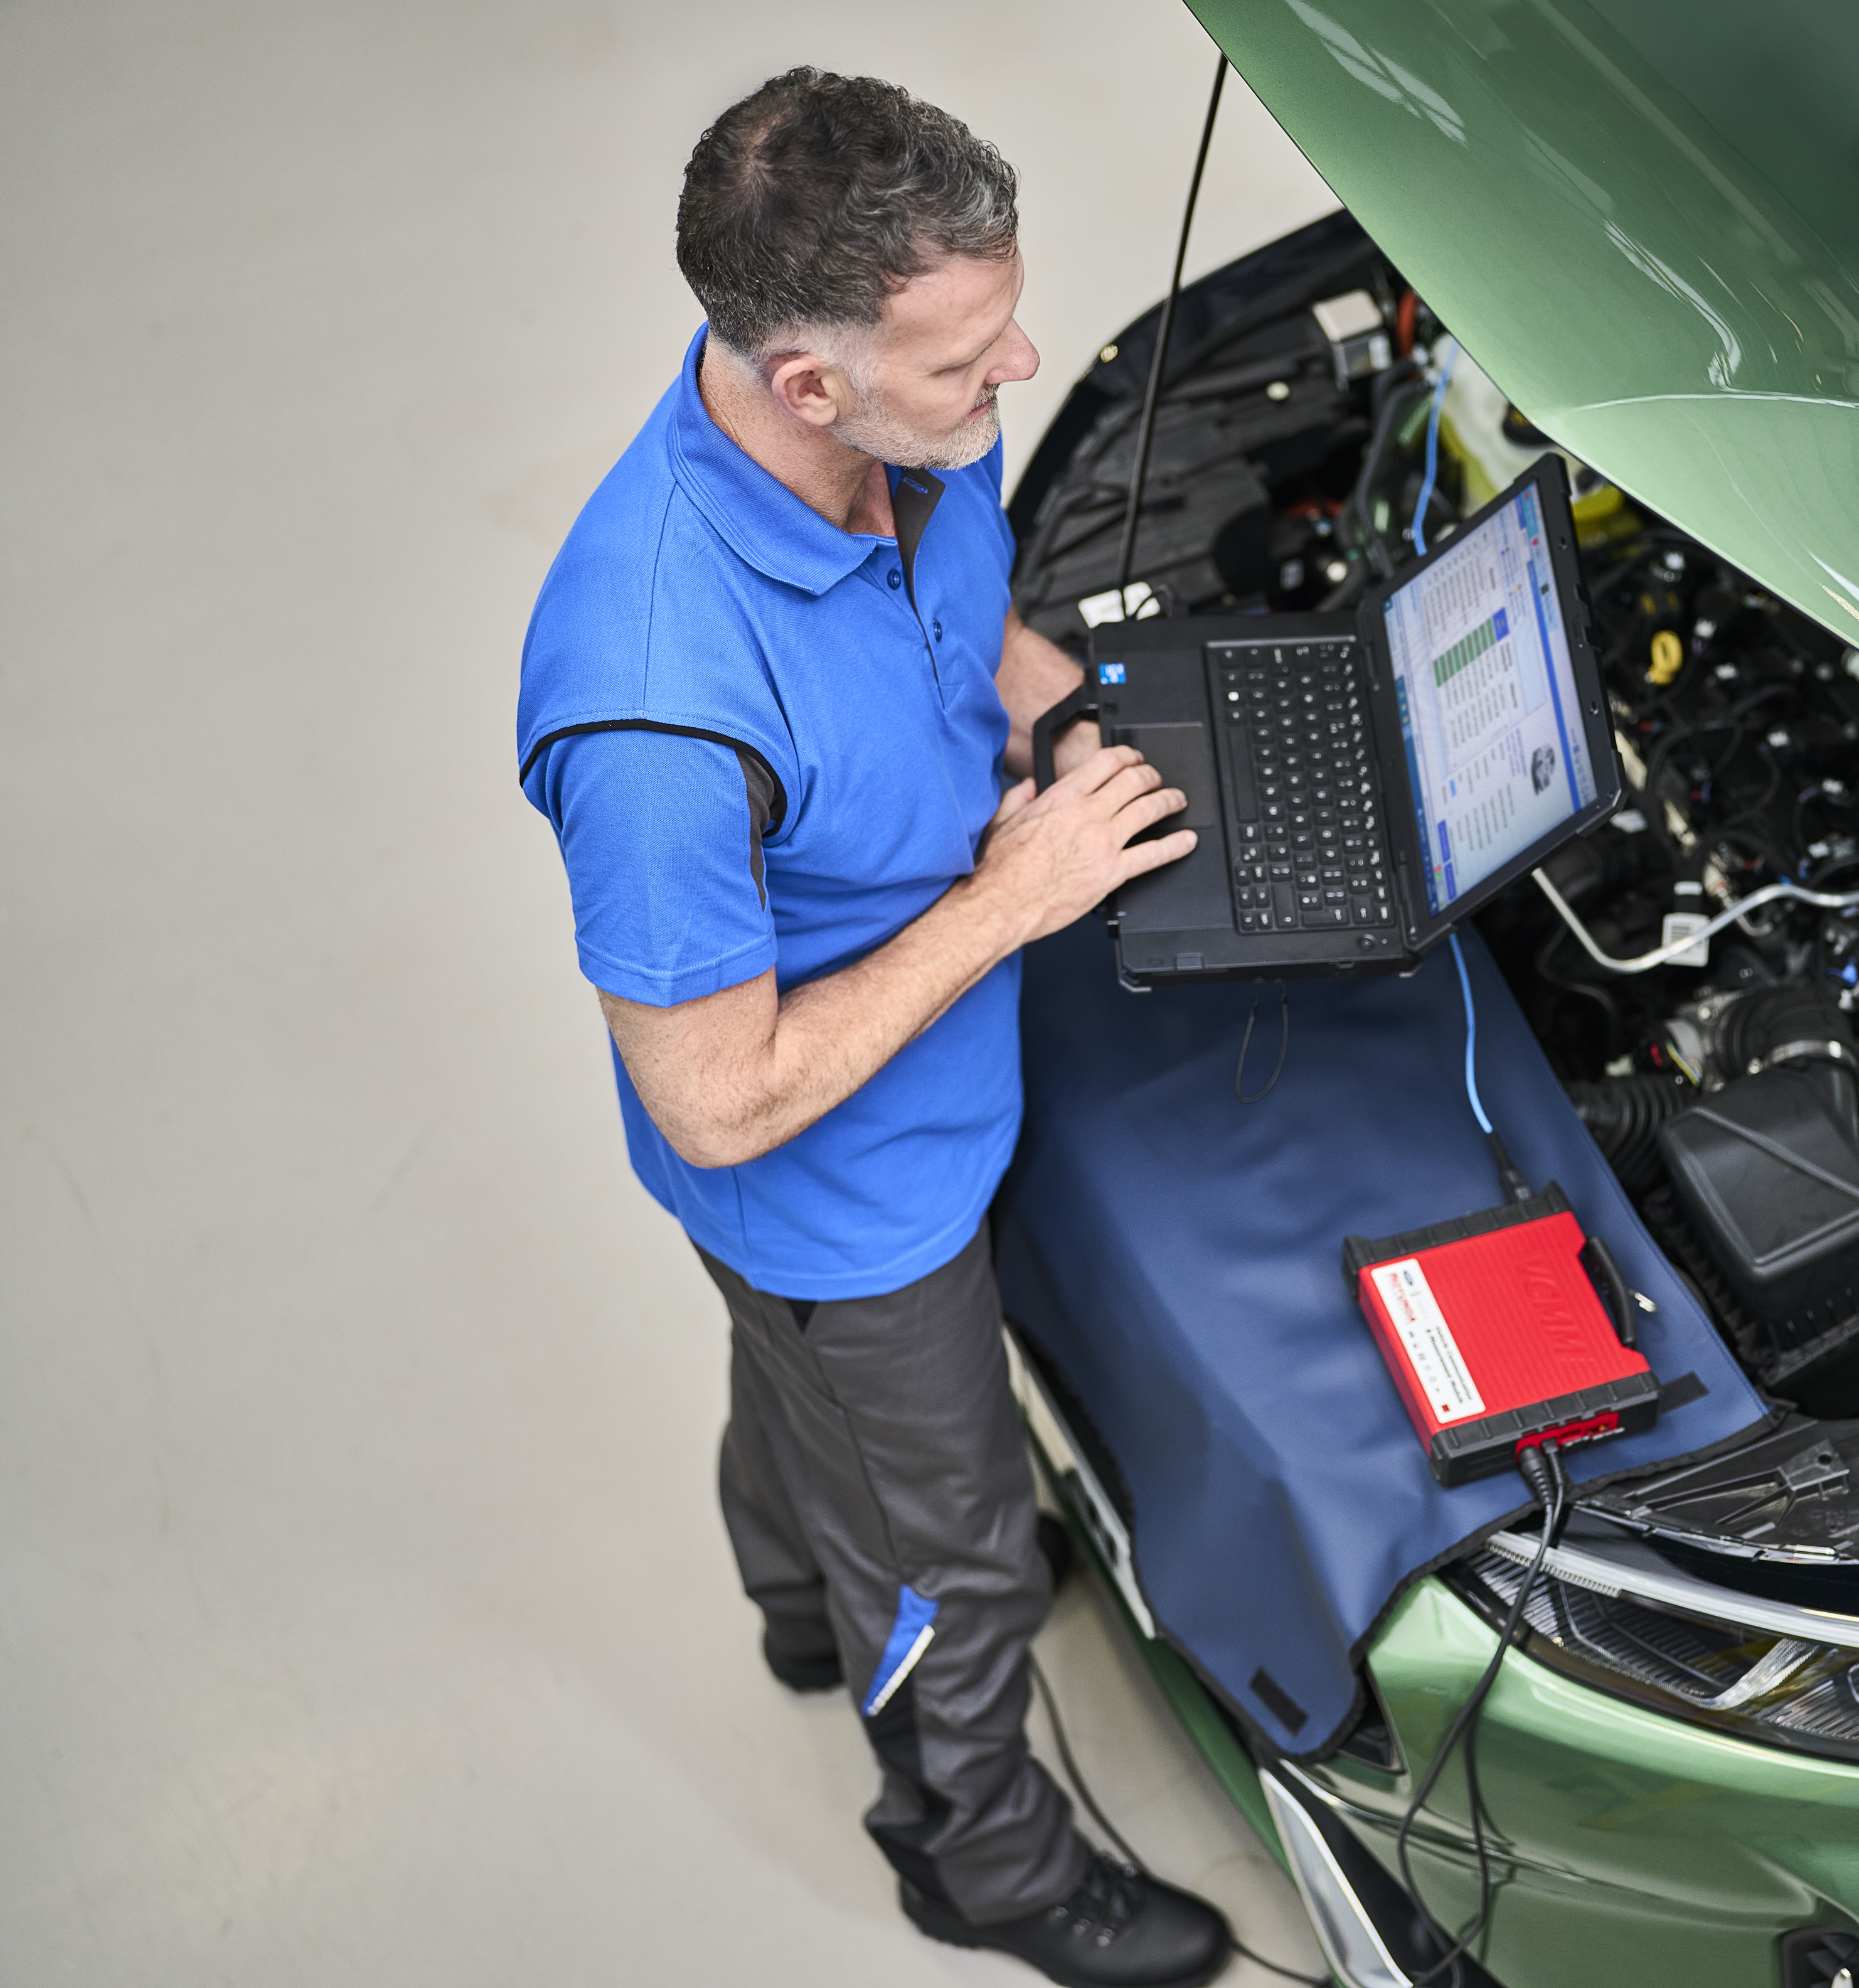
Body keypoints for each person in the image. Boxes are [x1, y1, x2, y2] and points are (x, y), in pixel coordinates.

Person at [515, 68, 1225, 1986]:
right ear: (808, 382)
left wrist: (1077, 720)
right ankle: (972, 1859)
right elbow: (718, 1099)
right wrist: (1015, 897)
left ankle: (798, 1598)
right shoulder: (655, 709)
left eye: (1007, 331)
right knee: (958, 1551)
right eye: (970, 363)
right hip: (846, 1202)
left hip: (928, 1107)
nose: (1019, 376)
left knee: (810, 1418)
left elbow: (963, 619)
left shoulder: (908, 433)